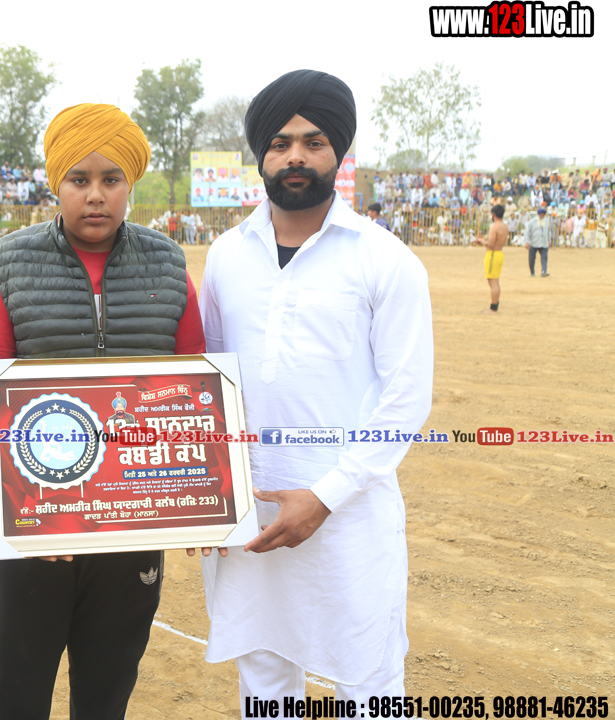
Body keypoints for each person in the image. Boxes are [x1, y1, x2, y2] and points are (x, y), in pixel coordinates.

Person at [0, 103, 206, 720]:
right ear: (56, 184)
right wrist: (39, 511)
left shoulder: (169, 264)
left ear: (131, 183)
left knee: (107, 690)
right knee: (15, 691)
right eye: (79, 179)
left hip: (131, 524)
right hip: (31, 530)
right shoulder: (8, 264)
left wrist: (199, 502)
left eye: (111, 179)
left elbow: (196, 394)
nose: (96, 195)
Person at [197, 69, 433, 708]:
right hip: (252, 511)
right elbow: (210, 383)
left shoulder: (385, 258)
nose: (295, 156)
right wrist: (207, 495)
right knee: (264, 679)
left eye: (313, 141)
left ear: (339, 152)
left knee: (368, 682)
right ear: (261, 155)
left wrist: (325, 497)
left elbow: (406, 399)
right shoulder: (225, 256)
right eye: (279, 143)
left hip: (349, 517)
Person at [474, 204, 508, 313]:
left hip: (492, 254)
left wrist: (481, 241)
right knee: (495, 281)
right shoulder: (504, 226)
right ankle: (494, 306)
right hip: (499, 253)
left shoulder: (495, 227)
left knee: (493, 282)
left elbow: (491, 244)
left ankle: (493, 308)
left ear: (493, 214)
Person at [524, 206, 552, 277]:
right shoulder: (532, 222)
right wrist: (527, 241)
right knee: (531, 259)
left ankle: (544, 271)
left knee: (544, 258)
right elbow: (527, 232)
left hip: (544, 243)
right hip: (534, 243)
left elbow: (549, 232)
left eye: (543, 214)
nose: (542, 215)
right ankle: (532, 272)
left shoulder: (547, 221)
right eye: (540, 214)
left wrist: (549, 240)